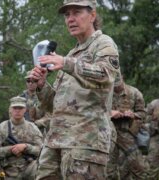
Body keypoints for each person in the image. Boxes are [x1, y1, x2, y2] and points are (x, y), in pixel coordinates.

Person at [30, 0, 120, 179]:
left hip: (85, 144)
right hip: (56, 142)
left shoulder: (103, 44)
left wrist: (65, 63)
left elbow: (105, 76)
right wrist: (41, 85)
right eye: (67, 15)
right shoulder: (72, 54)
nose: (71, 19)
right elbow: (55, 105)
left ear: (92, 15)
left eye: (77, 12)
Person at [0, 96, 43, 180]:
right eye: (15, 108)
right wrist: (11, 149)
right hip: (7, 168)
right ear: (10, 109)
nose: (17, 110)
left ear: (25, 110)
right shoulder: (2, 127)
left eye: (20, 108)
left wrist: (26, 147)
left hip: (28, 168)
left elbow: (41, 150)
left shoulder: (32, 128)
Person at [109, 75, 148, 179]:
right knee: (108, 170)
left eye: (118, 85)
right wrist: (110, 113)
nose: (116, 88)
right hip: (108, 135)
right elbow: (95, 110)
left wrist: (133, 115)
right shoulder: (105, 92)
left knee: (139, 167)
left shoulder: (134, 93)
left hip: (127, 135)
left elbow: (143, 114)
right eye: (114, 85)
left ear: (122, 77)